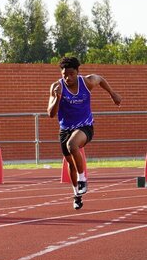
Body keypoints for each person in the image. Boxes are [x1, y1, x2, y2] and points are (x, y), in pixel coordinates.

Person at [47, 56, 122, 210]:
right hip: (65, 129)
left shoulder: (86, 82)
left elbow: (100, 79)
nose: (68, 78)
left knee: (72, 145)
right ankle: (77, 194)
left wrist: (112, 94)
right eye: (65, 75)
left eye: (71, 74)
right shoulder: (56, 87)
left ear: (77, 72)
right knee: (70, 164)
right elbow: (50, 114)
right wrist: (58, 97)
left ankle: (82, 179)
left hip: (85, 126)